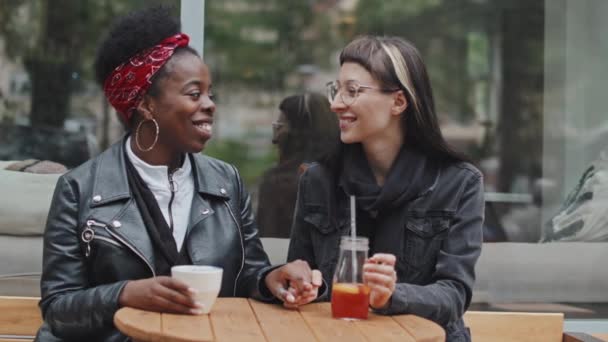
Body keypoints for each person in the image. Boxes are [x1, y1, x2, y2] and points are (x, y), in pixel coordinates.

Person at [36, 7, 320, 341]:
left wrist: (271, 279)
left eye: (210, 93)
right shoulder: (79, 189)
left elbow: (247, 273)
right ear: (146, 105)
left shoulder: (226, 181)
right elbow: (58, 308)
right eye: (193, 93)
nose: (210, 104)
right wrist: (125, 294)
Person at [287, 36, 484, 342]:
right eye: (336, 89)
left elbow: (454, 294)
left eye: (352, 91)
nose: (336, 103)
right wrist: (305, 286)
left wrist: (392, 295)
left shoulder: (458, 183)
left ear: (399, 101)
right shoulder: (318, 180)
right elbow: (303, 274)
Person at [257, 92, 339, 238]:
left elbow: (267, 244)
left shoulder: (279, 183)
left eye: (280, 126)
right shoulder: (349, 177)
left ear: (296, 134)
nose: (275, 140)